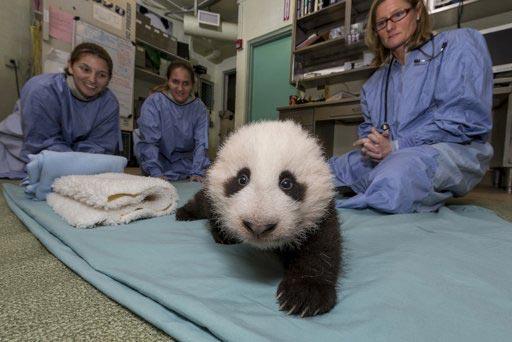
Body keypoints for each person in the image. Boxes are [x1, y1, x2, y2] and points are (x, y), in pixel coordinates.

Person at [328, 0, 493, 213]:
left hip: (450, 150)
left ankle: (338, 214)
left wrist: (397, 147)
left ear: (417, 12)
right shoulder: (374, 84)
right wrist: (373, 145)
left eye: (397, 15)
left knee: (394, 178)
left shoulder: (458, 45)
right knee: (325, 172)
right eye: (381, 23)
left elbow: (466, 120)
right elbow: (370, 130)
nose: (389, 26)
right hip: (391, 156)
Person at [20, 42, 120, 160]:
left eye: (101, 75)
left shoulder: (109, 103)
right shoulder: (42, 90)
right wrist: (77, 162)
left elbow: (100, 147)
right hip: (24, 155)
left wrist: (79, 162)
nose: (93, 79)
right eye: (85, 69)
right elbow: (41, 143)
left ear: (108, 79)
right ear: (71, 66)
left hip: (75, 163)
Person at [135, 60, 210, 182]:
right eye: (175, 82)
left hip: (187, 166)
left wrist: (197, 172)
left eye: (186, 83)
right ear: (168, 81)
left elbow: (201, 143)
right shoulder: (154, 103)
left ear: (192, 85)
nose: (180, 88)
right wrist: (155, 172)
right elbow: (149, 142)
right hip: (157, 162)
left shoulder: (199, 108)